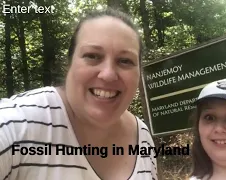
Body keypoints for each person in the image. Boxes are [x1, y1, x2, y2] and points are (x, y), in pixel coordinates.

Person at [0, 8, 157, 180]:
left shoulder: (142, 135)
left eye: (125, 61)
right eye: (92, 56)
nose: (108, 74)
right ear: (69, 64)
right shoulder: (15, 123)